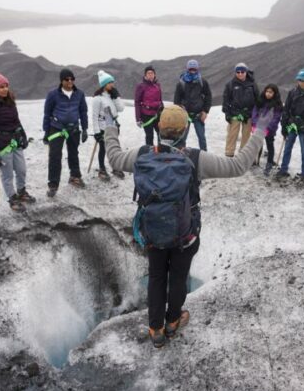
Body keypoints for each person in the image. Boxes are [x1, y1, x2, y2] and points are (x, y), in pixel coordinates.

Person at [104, 104, 274, 348]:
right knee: (178, 277)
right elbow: (238, 166)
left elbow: (114, 158)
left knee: (156, 275)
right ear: (186, 130)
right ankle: (173, 321)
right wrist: (259, 132)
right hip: (186, 233)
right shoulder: (195, 158)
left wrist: (110, 126)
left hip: (153, 230)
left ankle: (156, 329)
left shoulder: (142, 154)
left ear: (159, 128)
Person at [0, 73, 36, 211]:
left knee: (21, 169)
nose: (5, 89)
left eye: (6, 86)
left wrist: (23, 136)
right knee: (7, 175)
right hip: (2, 146)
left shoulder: (10, 103)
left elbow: (17, 121)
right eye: (1, 87)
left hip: (15, 142)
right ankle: (12, 199)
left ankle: (22, 192)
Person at [43, 68, 88, 197]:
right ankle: (53, 184)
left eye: (72, 79)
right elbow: (47, 113)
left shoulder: (79, 94)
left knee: (74, 153)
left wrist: (85, 129)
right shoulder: (53, 95)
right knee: (55, 156)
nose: (70, 81)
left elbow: (83, 112)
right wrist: (46, 132)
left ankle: (74, 176)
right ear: (61, 81)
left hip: (73, 128)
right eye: (67, 79)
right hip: (56, 128)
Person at [275, 69, 304, 185]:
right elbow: (286, 110)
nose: (300, 82)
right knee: (287, 148)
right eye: (299, 80)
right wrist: (284, 125)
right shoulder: (292, 92)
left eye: (303, 80)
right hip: (292, 125)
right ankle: (283, 170)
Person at [90, 70, 125, 181]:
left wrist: (117, 97)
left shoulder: (111, 96)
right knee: (103, 148)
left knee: (114, 147)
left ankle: (115, 167)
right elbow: (94, 116)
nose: (112, 84)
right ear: (104, 84)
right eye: (110, 83)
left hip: (114, 124)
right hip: (103, 126)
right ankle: (102, 169)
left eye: (112, 82)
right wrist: (96, 132)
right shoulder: (97, 98)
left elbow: (121, 108)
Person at [173, 59, 211, 151]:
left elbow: (208, 96)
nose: (192, 71)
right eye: (191, 69)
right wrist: (180, 109)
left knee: (201, 138)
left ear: (197, 69)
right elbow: (176, 100)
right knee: (182, 138)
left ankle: (204, 156)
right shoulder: (181, 83)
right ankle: (180, 155)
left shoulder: (203, 82)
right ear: (187, 69)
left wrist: (205, 111)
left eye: (194, 69)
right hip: (185, 115)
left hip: (199, 115)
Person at [222, 62, 259, 157]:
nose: (240, 74)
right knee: (232, 134)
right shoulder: (230, 84)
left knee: (246, 135)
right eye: (238, 72)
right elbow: (226, 99)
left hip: (248, 113)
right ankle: (229, 154)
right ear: (235, 72)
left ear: (246, 72)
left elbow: (257, 99)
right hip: (235, 112)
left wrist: (257, 112)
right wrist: (227, 113)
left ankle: (243, 155)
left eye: (242, 71)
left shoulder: (252, 84)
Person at [251, 83, 283, 175]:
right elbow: (254, 113)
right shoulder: (260, 101)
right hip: (258, 127)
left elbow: (276, 118)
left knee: (270, 145)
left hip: (269, 129)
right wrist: (255, 125)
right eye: (267, 91)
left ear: (275, 93)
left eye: (271, 92)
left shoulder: (277, 105)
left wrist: (268, 128)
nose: (268, 94)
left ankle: (269, 163)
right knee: (258, 144)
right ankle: (256, 161)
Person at [134, 66, 163, 145]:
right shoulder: (141, 86)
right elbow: (137, 102)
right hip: (146, 115)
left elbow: (160, 100)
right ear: (145, 75)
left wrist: (163, 113)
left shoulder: (158, 86)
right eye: (148, 73)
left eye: (152, 73)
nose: (150, 75)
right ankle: (150, 153)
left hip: (157, 114)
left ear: (155, 75)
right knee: (149, 136)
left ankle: (161, 151)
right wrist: (138, 118)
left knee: (161, 134)